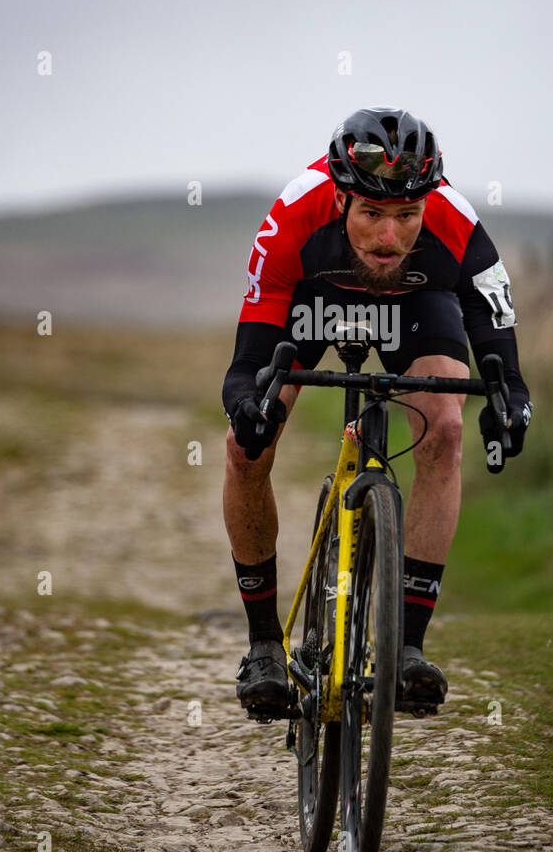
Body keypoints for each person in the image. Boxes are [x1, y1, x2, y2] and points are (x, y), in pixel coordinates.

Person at [222, 108, 532, 714]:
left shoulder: (457, 223)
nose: (389, 238)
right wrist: (246, 409)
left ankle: (407, 648)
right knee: (245, 447)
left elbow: (498, 340)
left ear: (428, 202)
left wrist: (510, 405)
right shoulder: (293, 214)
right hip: (316, 299)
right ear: (341, 198)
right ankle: (263, 643)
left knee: (444, 429)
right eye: (370, 215)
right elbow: (247, 364)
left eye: (406, 217)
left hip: (417, 302)